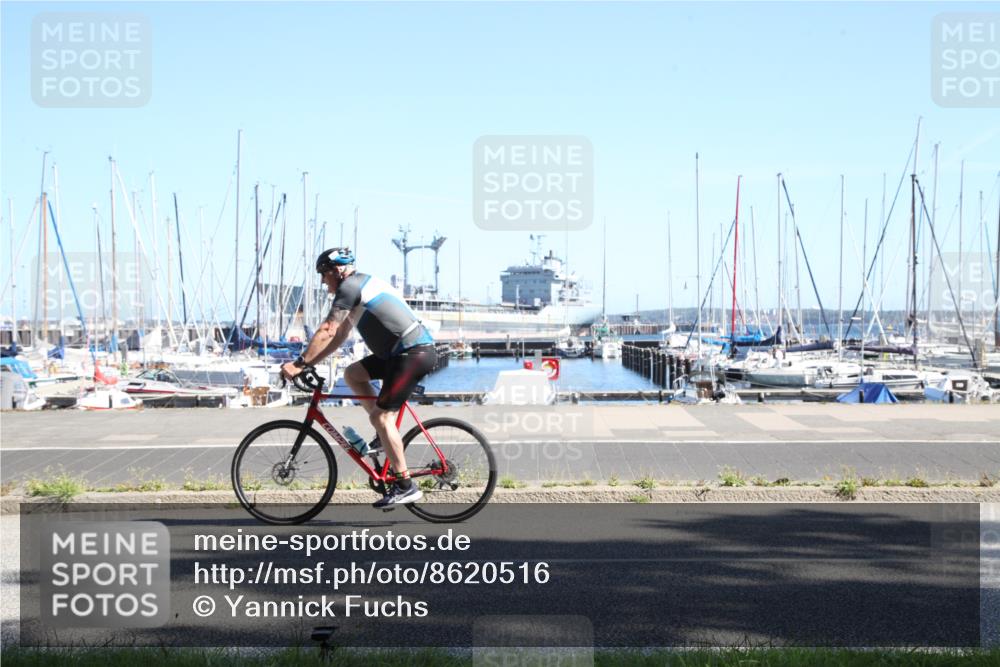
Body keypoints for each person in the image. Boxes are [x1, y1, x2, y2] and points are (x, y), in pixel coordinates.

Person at [280, 248, 437, 508]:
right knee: (352, 374)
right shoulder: (359, 286)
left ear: (337, 271)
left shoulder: (350, 287)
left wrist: (299, 363)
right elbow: (339, 336)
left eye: (323, 274)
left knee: (380, 416)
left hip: (412, 353)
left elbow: (328, 328)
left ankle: (406, 486)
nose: (322, 281)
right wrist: (311, 363)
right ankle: (383, 435)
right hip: (399, 354)